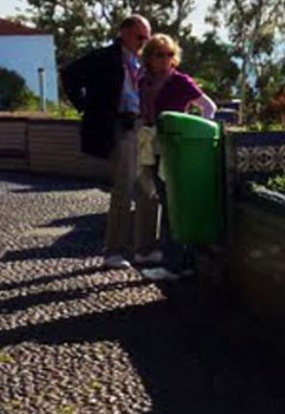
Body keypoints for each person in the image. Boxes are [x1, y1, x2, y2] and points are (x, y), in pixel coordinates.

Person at [61, 15, 152, 272]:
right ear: (123, 32)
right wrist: (86, 107)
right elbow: (69, 74)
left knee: (148, 188)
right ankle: (114, 251)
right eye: (139, 36)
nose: (143, 42)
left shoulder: (142, 60)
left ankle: (145, 248)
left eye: (146, 37)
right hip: (120, 126)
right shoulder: (105, 57)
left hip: (141, 126)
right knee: (124, 188)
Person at [135, 34, 217, 279]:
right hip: (153, 147)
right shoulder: (144, 82)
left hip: (174, 148)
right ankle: (181, 261)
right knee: (166, 202)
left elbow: (208, 107)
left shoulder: (180, 82)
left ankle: (174, 264)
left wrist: (196, 139)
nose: (166, 59)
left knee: (174, 205)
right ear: (149, 57)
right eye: (160, 54)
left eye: (170, 54)